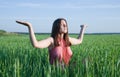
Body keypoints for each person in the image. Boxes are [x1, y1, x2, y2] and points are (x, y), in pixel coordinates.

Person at [16, 18, 87, 66]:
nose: (65, 26)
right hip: (56, 72)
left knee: (87, 60)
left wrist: (83, 28)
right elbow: (36, 44)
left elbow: (79, 40)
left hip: (69, 69)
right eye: (62, 24)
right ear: (56, 26)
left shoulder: (67, 40)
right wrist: (30, 26)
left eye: (66, 24)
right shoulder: (51, 40)